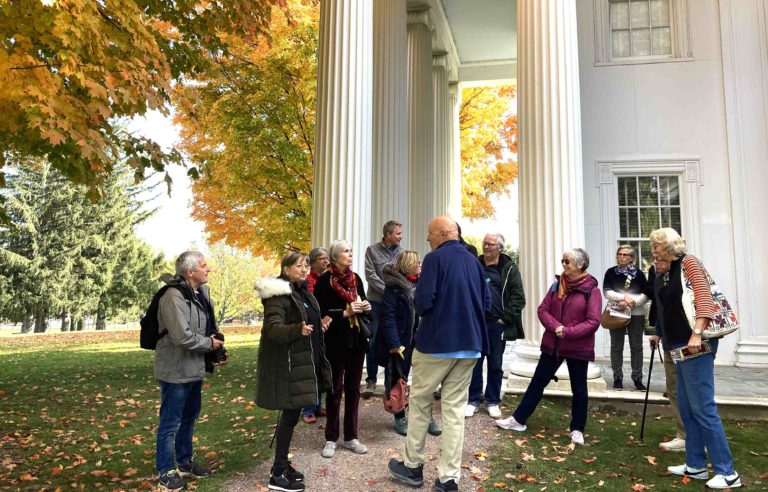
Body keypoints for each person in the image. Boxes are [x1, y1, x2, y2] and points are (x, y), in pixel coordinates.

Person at [388, 216, 490, 492]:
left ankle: (412, 466)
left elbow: (422, 301)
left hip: (436, 344)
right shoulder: (473, 261)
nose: (427, 239)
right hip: (470, 345)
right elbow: (487, 302)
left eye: (430, 234)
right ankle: (448, 480)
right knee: (454, 412)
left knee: (420, 403)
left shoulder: (435, 259)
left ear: (445, 234)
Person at [650, 228, 741, 489]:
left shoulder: (689, 262)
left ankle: (728, 472)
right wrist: (659, 334)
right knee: (688, 407)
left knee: (703, 407)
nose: (654, 252)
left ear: (670, 245)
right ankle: (696, 465)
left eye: (657, 246)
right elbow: (668, 308)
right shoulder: (666, 271)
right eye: (653, 248)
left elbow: (704, 299)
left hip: (695, 344)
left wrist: (697, 333)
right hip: (677, 344)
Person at [495, 248, 601, 446]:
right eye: (563, 260)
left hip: (577, 347)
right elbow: (542, 309)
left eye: (567, 261)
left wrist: (567, 332)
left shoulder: (591, 290)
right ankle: (518, 420)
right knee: (537, 382)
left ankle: (577, 429)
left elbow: (593, 321)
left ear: (580, 264)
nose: (563, 264)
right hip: (553, 344)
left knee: (579, 389)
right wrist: (556, 328)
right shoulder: (556, 285)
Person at [254, 252, 333, 492]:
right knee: (289, 417)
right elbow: (273, 330)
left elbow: (305, 324)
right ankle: (277, 473)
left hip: (302, 363)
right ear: (286, 268)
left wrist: (318, 327)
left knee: (291, 416)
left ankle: (282, 465)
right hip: (288, 365)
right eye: (298, 265)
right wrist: (297, 330)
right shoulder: (278, 294)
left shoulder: (301, 292)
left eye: (306, 265)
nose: (304, 269)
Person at [154, 251, 226, 491]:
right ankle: (165, 470)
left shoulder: (198, 295)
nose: (209, 269)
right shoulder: (173, 297)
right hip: (175, 370)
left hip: (193, 368)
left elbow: (204, 328)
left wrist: (215, 350)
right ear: (190, 272)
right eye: (204, 266)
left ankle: (184, 463)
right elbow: (181, 336)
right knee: (170, 423)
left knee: (189, 418)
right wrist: (209, 344)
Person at [313, 239, 372, 458]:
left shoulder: (355, 279)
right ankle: (331, 438)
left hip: (356, 340)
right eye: (346, 251)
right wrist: (345, 313)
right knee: (335, 389)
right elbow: (321, 312)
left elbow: (363, 300)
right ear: (335, 257)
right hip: (336, 341)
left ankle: (351, 437)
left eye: (351, 251)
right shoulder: (324, 281)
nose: (350, 254)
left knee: (354, 389)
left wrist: (366, 306)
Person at [376, 250, 441, 437]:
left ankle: (426, 416)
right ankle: (399, 416)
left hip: (423, 339)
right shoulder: (394, 287)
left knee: (426, 380)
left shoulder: (423, 283)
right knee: (398, 378)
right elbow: (387, 316)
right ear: (407, 265)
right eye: (417, 262)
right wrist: (394, 343)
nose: (420, 265)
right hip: (402, 340)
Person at [466, 233, 525, 419]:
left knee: (495, 364)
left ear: (500, 248)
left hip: (496, 323)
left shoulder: (509, 268)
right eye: (484, 243)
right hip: (476, 322)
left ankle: (492, 401)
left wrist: (505, 319)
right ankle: (473, 400)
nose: (486, 247)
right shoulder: (475, 264)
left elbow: (518, 297)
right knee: (474, 362)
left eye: (491, 244)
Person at [647, 256, 686, 452]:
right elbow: (662, 310)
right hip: (670, 344)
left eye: (659, 258)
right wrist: (658, 333)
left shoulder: (684, 275)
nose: (656, 262)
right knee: (674, 389)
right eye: (654, 258)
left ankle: (695, 436)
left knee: (689, 390)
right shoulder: (658, 279)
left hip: (687, 342)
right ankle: (683, 435)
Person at [363, 220, 404, 398]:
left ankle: (391, 380)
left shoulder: (403, 253)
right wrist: (387, 291)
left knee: (392, 340)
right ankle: (371, 380)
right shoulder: (372, 250)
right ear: (388, 234)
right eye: (398, 234)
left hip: (395, 305)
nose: (401, 237)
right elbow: (370, 275)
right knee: (372, 340)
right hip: (376, 302)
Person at [603, 244, 649, 391]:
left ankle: (637, 379)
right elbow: (607, 292)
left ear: (632, 258)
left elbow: (646, 294)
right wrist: (623, 298)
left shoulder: (640, 274)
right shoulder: (611, 272)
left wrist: (632, 302)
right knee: (616, 346)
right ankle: (617, 378)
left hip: (636, 314)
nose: (621, 257)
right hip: (616, 313)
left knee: (637, 347)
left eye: (625, 255)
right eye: (619, 254)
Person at [302, 247, 330, 423]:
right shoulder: (308, 280)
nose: (326, 262)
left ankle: (318, 405)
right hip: (312, 327)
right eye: (322, 259)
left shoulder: (326, 279)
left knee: (321, 366)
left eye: (327, 258)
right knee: (311, 368)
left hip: (324, 327)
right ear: (312, 262)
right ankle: (308, 409)